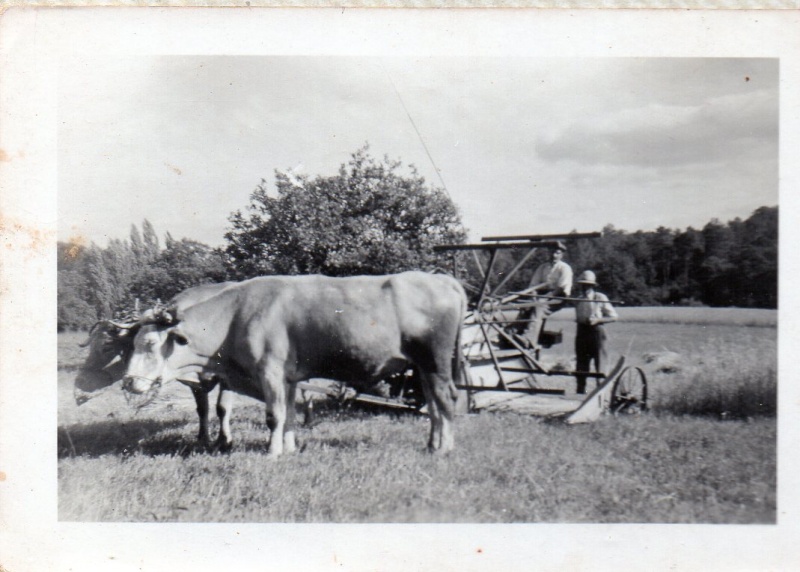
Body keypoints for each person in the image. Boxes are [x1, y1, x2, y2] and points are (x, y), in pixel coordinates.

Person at [512, 241, 573, 348]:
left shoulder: (565, 268)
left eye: (557, 253)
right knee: (526, 306)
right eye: (552, 252)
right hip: (542, 295)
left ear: (561, 254)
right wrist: (534, 297)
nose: (554, 255)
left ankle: (528, 339)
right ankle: (513, 332)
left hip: (558, 297)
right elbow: (533, 285)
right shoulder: (543, 267)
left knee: (539, 308)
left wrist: (544, 298)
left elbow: (560, 288)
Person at [573, 270, 618, 394]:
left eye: (587, 285)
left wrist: (598, 319)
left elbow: (614, 316)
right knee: (581, 366)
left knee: (600, 365)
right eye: (582, 285)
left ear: (592, 286)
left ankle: (601, 395)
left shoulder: (600, 298)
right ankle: (580, 393)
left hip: (597, 333)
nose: (584, 287)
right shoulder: (577, 300)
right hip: (582, 332)